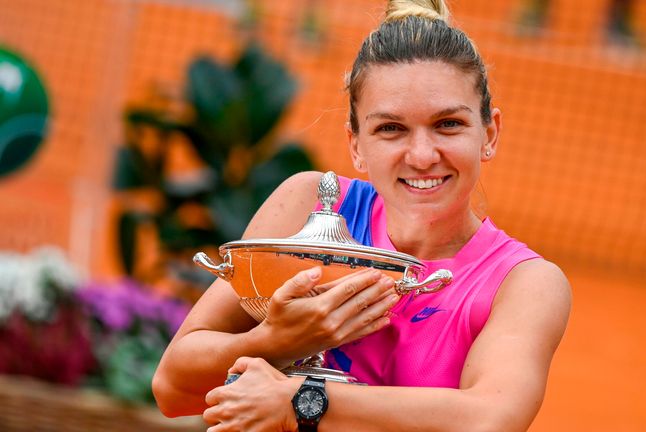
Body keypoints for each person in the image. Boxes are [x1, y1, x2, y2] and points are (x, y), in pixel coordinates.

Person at [152, 0, 571, 430]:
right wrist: (277, 340)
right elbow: (173, 387)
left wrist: (301, 401)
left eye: (448, 124)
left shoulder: (524, 284)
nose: (423, 155)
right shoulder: (305, 203)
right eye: (390, 129)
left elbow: (488, 419)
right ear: (356, 145)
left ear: (490, 132)